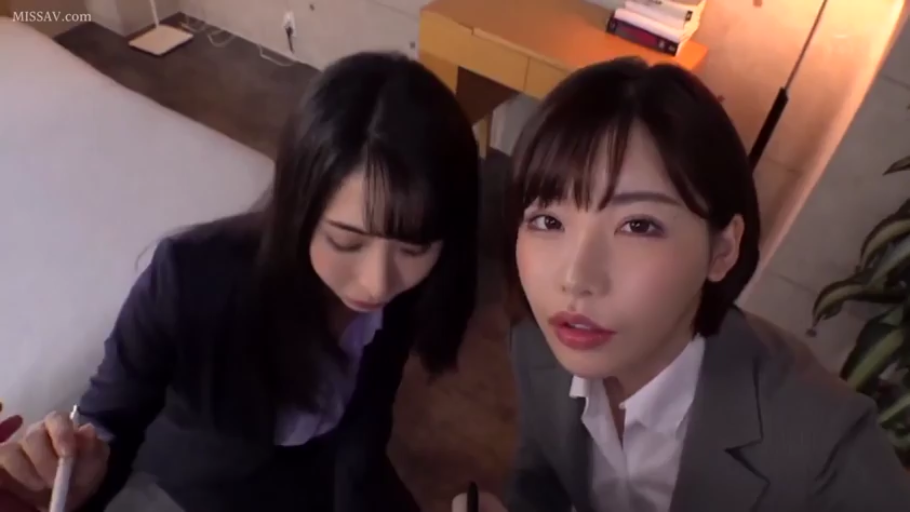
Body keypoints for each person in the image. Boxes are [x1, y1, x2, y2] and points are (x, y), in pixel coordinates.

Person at [0, 51, 480, 512]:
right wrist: (81, 469)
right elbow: (110, 418)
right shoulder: (189, 278)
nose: (377, 284)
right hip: (213, 488)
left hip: (334, 467)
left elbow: (367, 422)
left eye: (413, 250)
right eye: (346, 242)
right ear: (298, 209)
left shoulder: (417, 286)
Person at [455, 57, 910, 512]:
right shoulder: (537, 342)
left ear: (722, 250)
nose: (575, 278)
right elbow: (542, 479)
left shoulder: (827, 451)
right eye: (548, 221)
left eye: (638, 226)